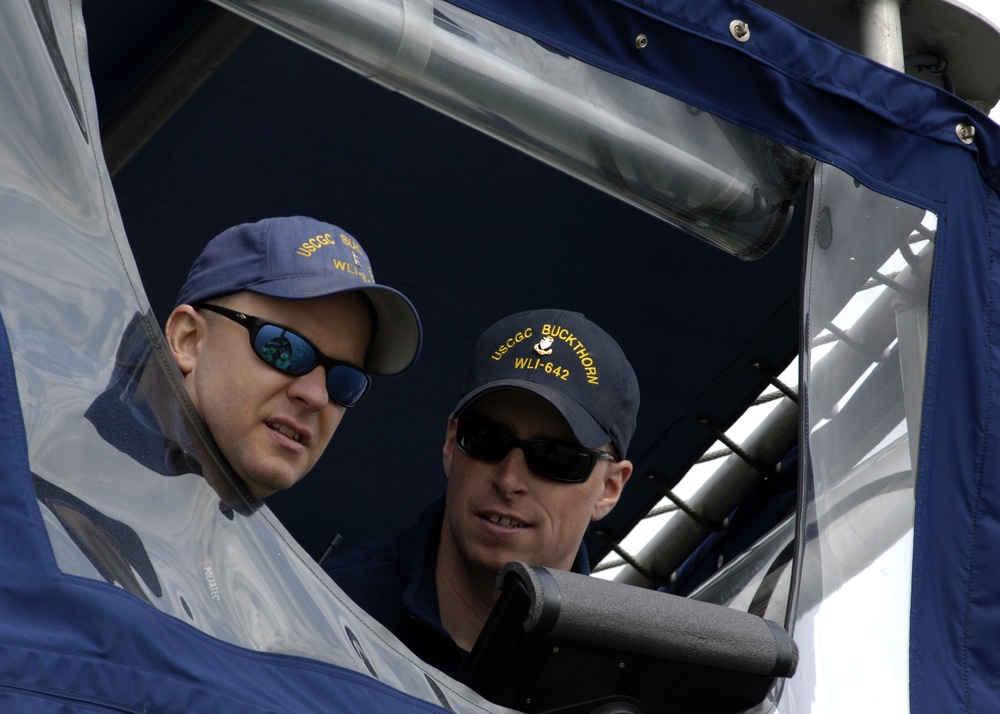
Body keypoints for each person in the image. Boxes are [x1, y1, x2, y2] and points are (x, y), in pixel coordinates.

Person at [323, 308, 638, 678]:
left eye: (553, 457)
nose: (509, 479)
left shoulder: (627, 678)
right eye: (487, 439)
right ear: (451, 442)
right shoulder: (328, 611)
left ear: (609, 489)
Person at [86, 215, 421, 504]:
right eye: (283, 347)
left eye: (344, 381)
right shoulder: (64, 472)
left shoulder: (231, 552)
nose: (317, 396)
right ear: (188, 339)